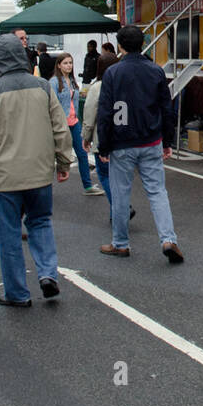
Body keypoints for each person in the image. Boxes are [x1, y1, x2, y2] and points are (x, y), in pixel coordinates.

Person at [0, 34, 75, 307]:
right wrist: (63, 163)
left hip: (4, 177)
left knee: (8, 234)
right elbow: (60, 128)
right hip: (39, 173)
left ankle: (17, 293)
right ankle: (48, 274)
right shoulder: (42, 87)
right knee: (41, 222)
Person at [96, 25, 183, 263]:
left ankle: (121, 244)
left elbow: (105, 112)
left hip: (121, 142)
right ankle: (168, 239)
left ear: (120, 46)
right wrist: (167, 139)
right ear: (143, 44)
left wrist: (103, 146)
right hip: (150, 139)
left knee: (121, 192)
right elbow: (167, 108)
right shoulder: (155, 71)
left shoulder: (113, 73)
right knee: (157, 192)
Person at [83, 51, 133, 218]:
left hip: (103, 137)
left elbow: (90, 114)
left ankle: (120, 208)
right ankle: (118, 211)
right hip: (124, 137)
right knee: (120, 177)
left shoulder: (97, 87)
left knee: (104, 175)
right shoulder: (125, 84)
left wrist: (86, 136)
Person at [52, 51, 101, 196]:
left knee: (82, 153)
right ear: (59, 65)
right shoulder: (54, 82)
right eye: (65, 63)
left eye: (70, 63)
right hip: (60, 124)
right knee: (54, 154)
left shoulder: (72, 81)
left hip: (74, 122)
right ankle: (43, 187)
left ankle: (88, 186)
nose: (69, 66)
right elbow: (52, 103)